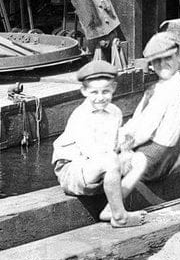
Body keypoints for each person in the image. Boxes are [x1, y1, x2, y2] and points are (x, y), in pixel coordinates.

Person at [52, 59, 148, 227]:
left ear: (114, 89)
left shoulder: (115, 112)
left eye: (105, 92)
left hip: (100, 168)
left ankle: (111, 209)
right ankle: (120, 217)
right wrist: (116, 157)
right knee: (110, 159)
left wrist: (125, 147)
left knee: (139, 159)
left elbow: (115, 145)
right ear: (84, 91)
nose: (100, 98)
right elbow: (92, 152)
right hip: (74, 170)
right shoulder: (80, 116)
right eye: (94, 92)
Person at [119, 31, 180, 183]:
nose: (162, 65)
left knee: (108, 165)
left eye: (168, 58)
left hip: (155, 158)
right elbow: (139, 121)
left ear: (179, 57)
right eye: (157, 61)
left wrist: (122, 145)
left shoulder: (169, 90)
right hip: (164, 154)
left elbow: (145, 131)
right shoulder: (166, 86)